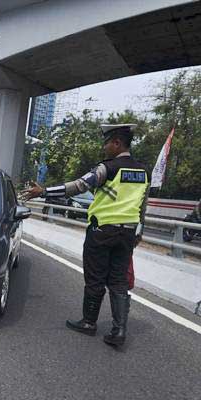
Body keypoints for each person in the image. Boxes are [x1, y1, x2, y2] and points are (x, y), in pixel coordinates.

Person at [21, 124, 150, 347]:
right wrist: (139, 231)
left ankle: (89, 322)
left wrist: (44, 192)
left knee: (95, 277)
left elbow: (79, 186)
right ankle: (119, 331)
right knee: (119, 281)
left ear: (117, 143)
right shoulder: (143, 171)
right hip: (127, 233)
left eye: (107, 142)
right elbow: (142, 205)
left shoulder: (107, 168)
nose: (104, 147)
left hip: (102, 231)